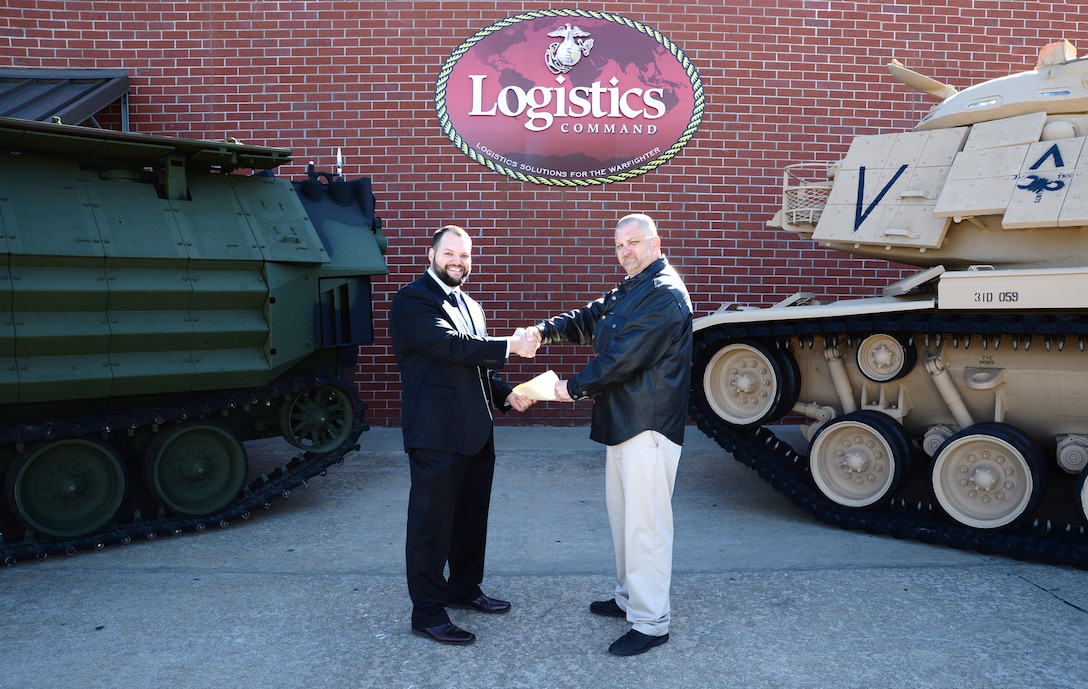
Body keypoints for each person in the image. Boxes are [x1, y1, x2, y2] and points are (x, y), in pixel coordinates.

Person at [527, 213, 693, 656]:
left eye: (635, 243)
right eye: (620, 245)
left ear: (657, 243)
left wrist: (567, 389)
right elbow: (590, 318)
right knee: (625, 523)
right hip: (623, 423)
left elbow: (619, 359)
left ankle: (652, 622)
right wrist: (542, 333)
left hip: (648, 427)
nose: (626, 252)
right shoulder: (633, 288)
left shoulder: (663, 295)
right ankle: (629, 599)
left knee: (647, 528)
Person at [389, 224, 539, 645]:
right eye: (450, 254)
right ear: (431, 254)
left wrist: (507, 393)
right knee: (430, 527)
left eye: (465, 255)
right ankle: (428, 613)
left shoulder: (471, 304)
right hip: (435, 435)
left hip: (475, 432)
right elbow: (451, 347)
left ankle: (464, 589)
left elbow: (478, 366)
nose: (458, 261)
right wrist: (512, 344)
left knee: (471, 520)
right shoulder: (413, 300)